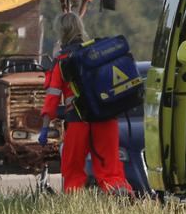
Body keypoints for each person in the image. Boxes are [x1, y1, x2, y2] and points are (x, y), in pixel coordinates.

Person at [40, 11, 131, 194]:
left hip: (78, 121)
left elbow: (52, 97)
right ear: (80, 28)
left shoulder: (62, 60)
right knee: (110, 168)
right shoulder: (97, 52)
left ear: (61, 31)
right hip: (106, 118)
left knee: (72, 169)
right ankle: (120, 195)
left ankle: (75, 202)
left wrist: (44, 128)